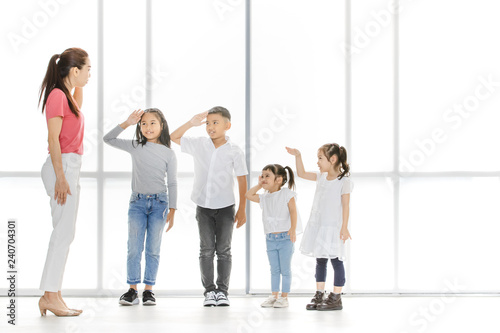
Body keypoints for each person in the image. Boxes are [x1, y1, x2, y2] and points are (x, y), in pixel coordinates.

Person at [170, 106, 248, 306]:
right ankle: (209, 292)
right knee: (206, 250)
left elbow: (242, 180)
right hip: (203, 206)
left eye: (215, 123)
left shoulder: (235, 151)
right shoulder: (199, 144)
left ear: (227, 125)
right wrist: (191, 122)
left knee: (224, 250)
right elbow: (173, 136)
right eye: (207, 123)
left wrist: (242, 209)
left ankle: (222, 291)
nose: (210, 127)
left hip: (226, 207)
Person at [103, 108, 177, 306]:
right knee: (134, 248)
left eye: (153, 123)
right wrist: (127, 122)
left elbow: (173, 183)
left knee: (153, 248)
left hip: (160, 203)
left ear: (162, 126)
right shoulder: (136, 146)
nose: (148, 127)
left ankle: (149, 290)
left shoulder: (169, 153)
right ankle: (132, 290)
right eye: (143, 123)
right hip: (137, 203)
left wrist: (173, 209)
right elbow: (107, 139)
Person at [38, 47, 91, 316]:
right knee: (62, 234)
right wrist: (60, 177)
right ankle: (49, 296)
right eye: (87, 68)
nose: (90, 74)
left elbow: (78, 99)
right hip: (63, 167)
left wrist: (75, 83)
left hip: (71, 167)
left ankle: (53, 294)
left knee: (64, 233)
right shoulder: (57, 96)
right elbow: (53, 140)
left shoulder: (67, 96)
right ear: (74, 70)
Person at [286, 143, 353, 311]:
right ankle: (319, 293)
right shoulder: (321, 177)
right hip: (319, 226)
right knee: (320, 260)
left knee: (336, 261)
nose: (317, 162)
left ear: (333, 159)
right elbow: (301, 173)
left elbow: (346, 206)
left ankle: (336, 297)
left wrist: (344, 227)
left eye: (320, 158)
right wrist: (298, 156)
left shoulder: (343, 182)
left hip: (333, 228)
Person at [246, 164, 300, 308]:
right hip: (270, 239)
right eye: (262, 176)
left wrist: (293, 229)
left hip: (285, 238)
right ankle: (274, 295)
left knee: (285, 269)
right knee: (274, 269)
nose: (263, 178)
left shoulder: (286, 194)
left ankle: (284, 297)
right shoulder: (264, 197)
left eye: (267, 176)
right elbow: (248, 195)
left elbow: (293, 211)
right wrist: (259, 184)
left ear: (279, 179)